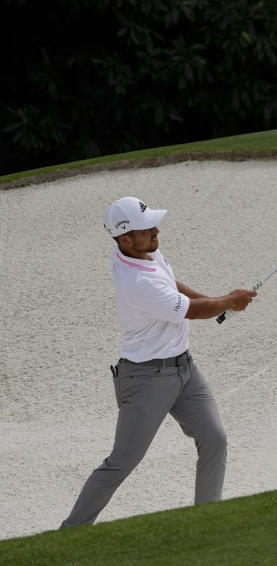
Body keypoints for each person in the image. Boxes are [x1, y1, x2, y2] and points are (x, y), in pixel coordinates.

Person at [60, 196, 257, 528]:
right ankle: (70, 532)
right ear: (125, 238)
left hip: (184, 370)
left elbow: (175, 288)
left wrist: (219, 302)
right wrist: (227, 301)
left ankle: (207, 521)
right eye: (146, 227)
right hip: (146, 380)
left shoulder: (143, 252)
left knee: (214, 438)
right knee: (122, 462)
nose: (156, 230)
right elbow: (192, 311)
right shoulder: (138, 282)